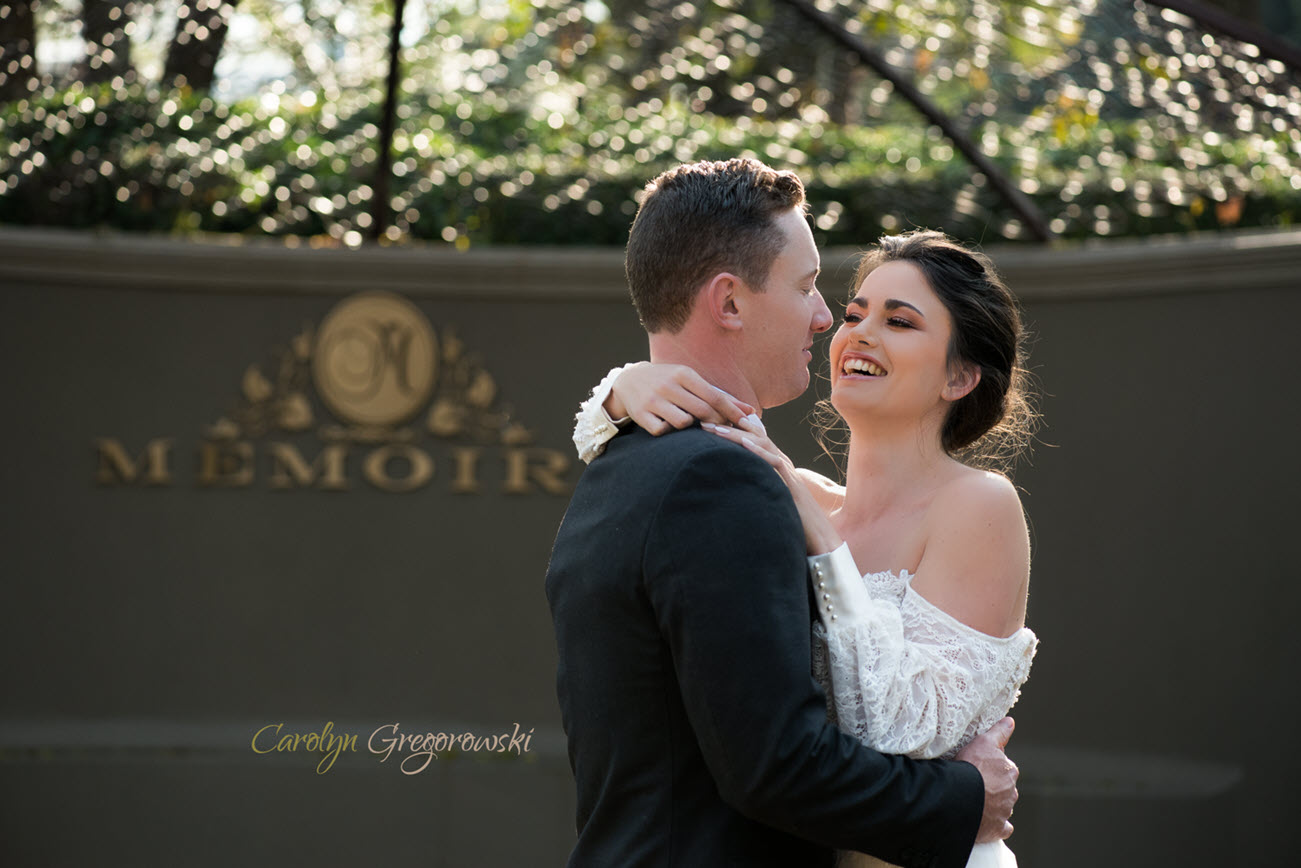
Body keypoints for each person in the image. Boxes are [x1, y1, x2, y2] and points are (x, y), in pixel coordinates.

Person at [545, 158, 1019, 868]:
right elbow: (775, 761)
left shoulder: (965, 503)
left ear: (961, 375)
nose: (835, 323)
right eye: (828, 299)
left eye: (898, 321)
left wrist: (824, 542)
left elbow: (898, 725)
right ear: (730, 303)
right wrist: (620, 388)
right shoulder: (745, 484)